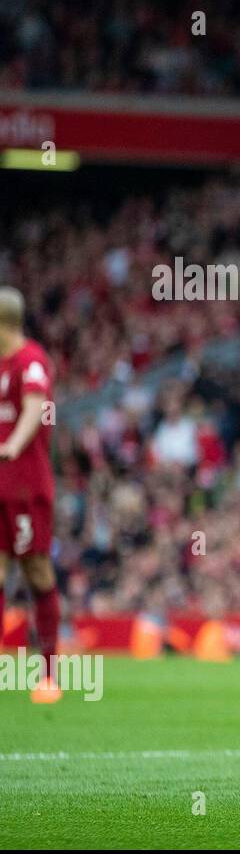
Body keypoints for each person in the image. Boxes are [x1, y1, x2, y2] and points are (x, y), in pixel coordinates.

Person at [0, 287, 61, 703]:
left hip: (25, 485)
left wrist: (11, 447)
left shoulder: (31, 361)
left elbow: (34, 410)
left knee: (37, 572)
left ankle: (50, 672)